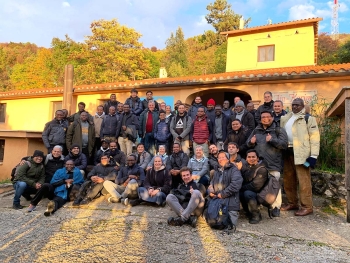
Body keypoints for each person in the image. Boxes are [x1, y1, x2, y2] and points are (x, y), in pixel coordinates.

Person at [280, 98, 320, 216]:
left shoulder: (308, 119)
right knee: (288, 180)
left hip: (302, 154)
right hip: (288, 152)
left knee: (304, 181)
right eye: (293, 105)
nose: (295, 107)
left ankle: (307, 206)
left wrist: (313, 156)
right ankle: (292, 203)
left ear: (302, 106)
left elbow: (315, 138)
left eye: (297, 105)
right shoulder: (286, 118)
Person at [246, 110, 288, 217]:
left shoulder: (278, 130)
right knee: (260, 184)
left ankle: (276, 207)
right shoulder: (257, 130)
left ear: (272, 118)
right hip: (259, 164)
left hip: (273, 163)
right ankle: (262, 203)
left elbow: (284, 145)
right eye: (263, 117)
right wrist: (251, 142)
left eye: (267, 116)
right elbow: (248, 143)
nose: (265, 118)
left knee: (274, 185)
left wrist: (272, 140)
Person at [208, 151, 243, 231]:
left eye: (223, 157)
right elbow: (211, 183)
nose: (220, 159)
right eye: (219, 157)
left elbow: (236, 185)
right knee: (211, 221)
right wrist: (210, 191)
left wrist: (223, 194)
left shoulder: (234, 170)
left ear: (228, 159)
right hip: (217, 200)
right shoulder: (217, 171)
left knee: (229, 224)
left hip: (230, 200)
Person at [240, 149, 268, 224]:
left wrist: (241, 188)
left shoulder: (262, 169)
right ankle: (248, 211)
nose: (251, 159)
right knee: (239, 193)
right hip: (249, 190)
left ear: (257, 158)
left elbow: (256, 186)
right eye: (249, 157)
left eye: (253, 157)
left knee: (247, 193)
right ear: (246, 158)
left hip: (260, 193)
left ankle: (256, 214)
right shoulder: (247, 168)